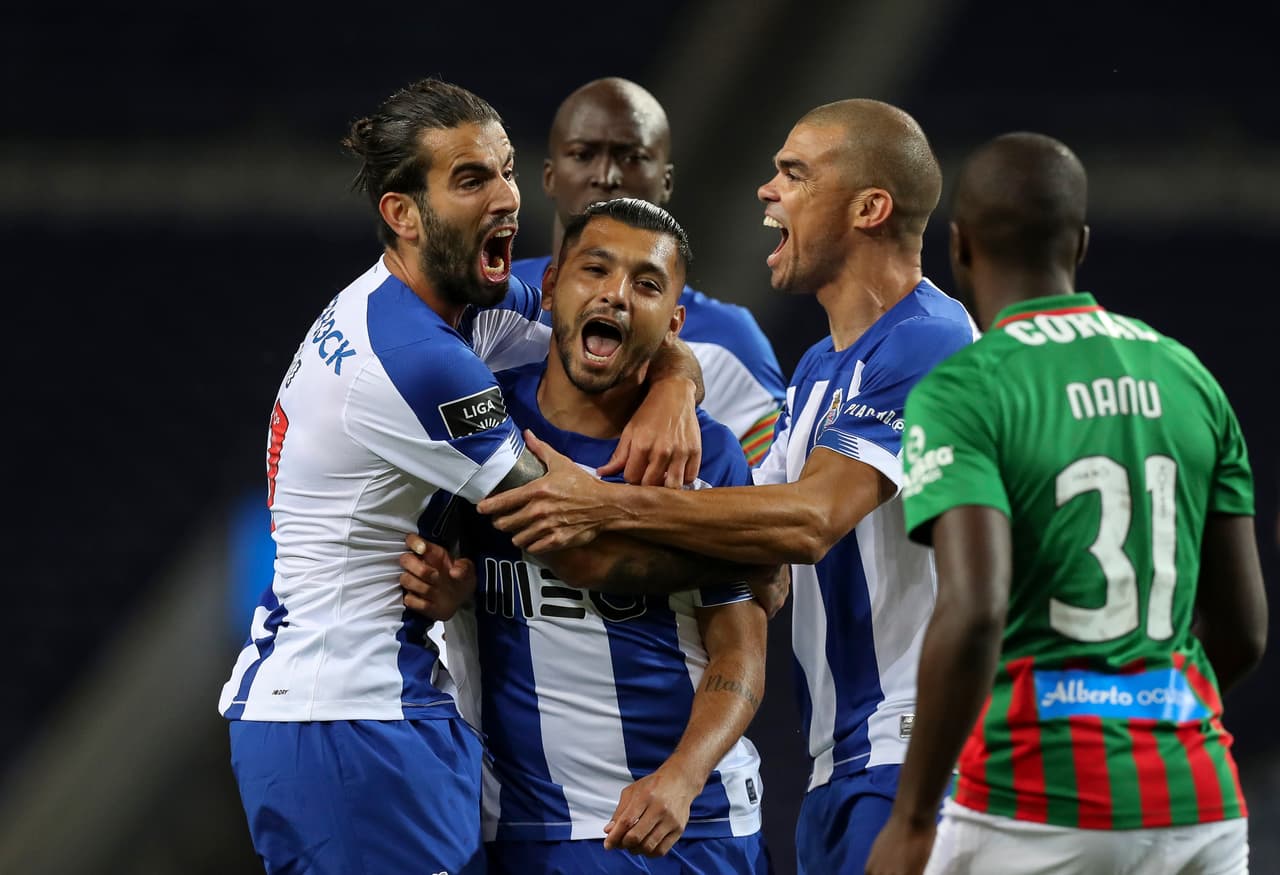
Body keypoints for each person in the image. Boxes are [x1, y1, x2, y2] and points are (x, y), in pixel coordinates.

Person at [217, 77, 707, 875]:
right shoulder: (420, 359)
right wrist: (742, 563)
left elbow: (601, 311)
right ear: (402, 214)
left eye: (508, 168)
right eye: (471, 179)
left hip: (380, 700)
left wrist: (677, 378)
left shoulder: (449, 302)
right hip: (345, 719)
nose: (508, 196)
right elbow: (574, 544)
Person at [474, 99, 979, 874]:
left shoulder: (930, 338)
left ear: (871, 207)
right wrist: (677, 374)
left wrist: (603, 503)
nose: (766, 191)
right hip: (837, 759)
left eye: (794, 173)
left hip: (911, 747)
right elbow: (754, 554)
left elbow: (808, 523)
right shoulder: (819, 368)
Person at [866, 132, 1268, 875]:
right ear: (1079, 244)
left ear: (960, 249)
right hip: (1198, 804)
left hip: (1036, 800)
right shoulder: (1189, 377)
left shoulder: (967, 389)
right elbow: (1244, 630)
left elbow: (976, 608)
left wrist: (914, 817)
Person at [404, 197, 775, 874]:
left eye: (647, 284)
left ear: (674, 324)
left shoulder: (709, 454)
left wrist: (685, 777)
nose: (616, 295)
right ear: (551, 288)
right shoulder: (484, 422)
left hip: (687, 828)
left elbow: (741, 650)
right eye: (595, 269)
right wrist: (451, 592)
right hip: (524, 828)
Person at [512, 76, 787, 465]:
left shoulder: (731, 344)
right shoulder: (495, 301)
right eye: (582, 154)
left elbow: (766, 497)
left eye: (633, 157)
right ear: (549, 177)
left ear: (667, 180)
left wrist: (677, 383)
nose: (606, 175)